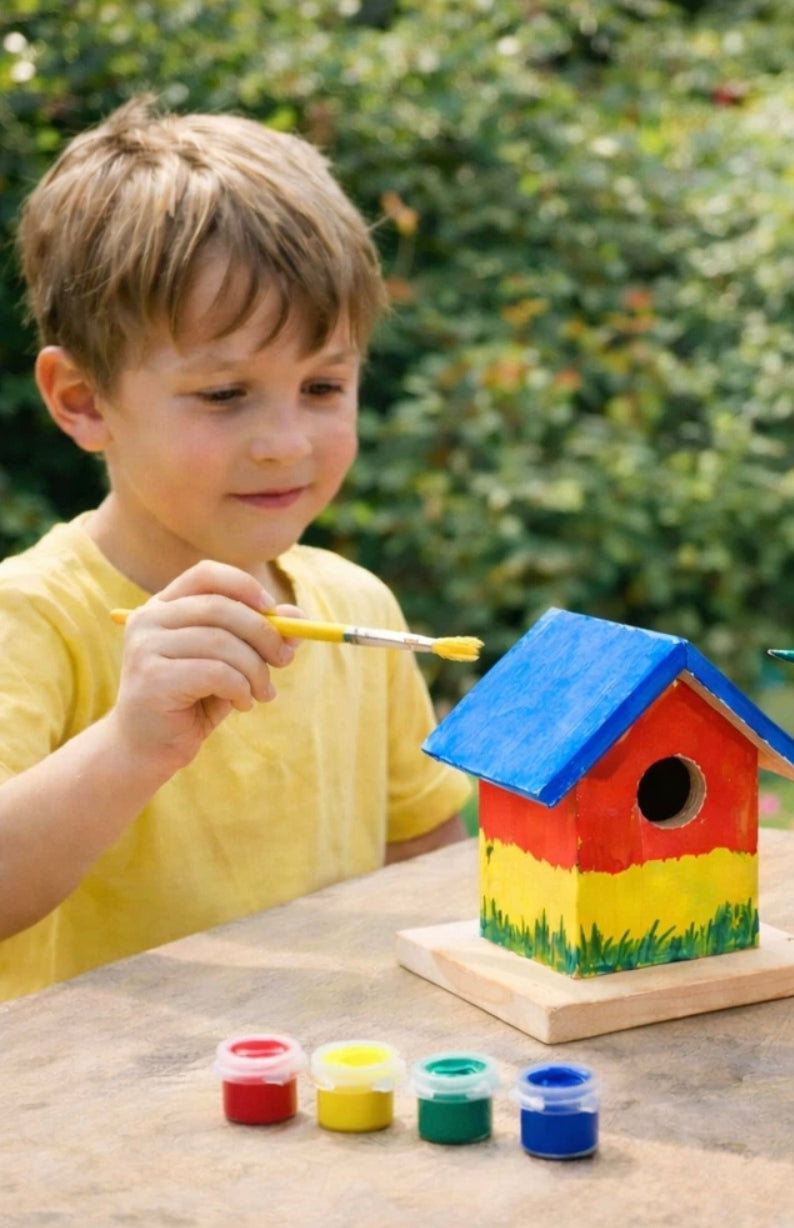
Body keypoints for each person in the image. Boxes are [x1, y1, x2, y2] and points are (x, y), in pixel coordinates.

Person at [0, 97, 472, 1000]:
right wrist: (132, 743)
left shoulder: (358, 608)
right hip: (86, 1120)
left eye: (324, 384)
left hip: (321, 1100)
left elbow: (423, 855)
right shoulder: (34, 618)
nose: (285, 442)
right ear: (83, 400)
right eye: (225, 395)